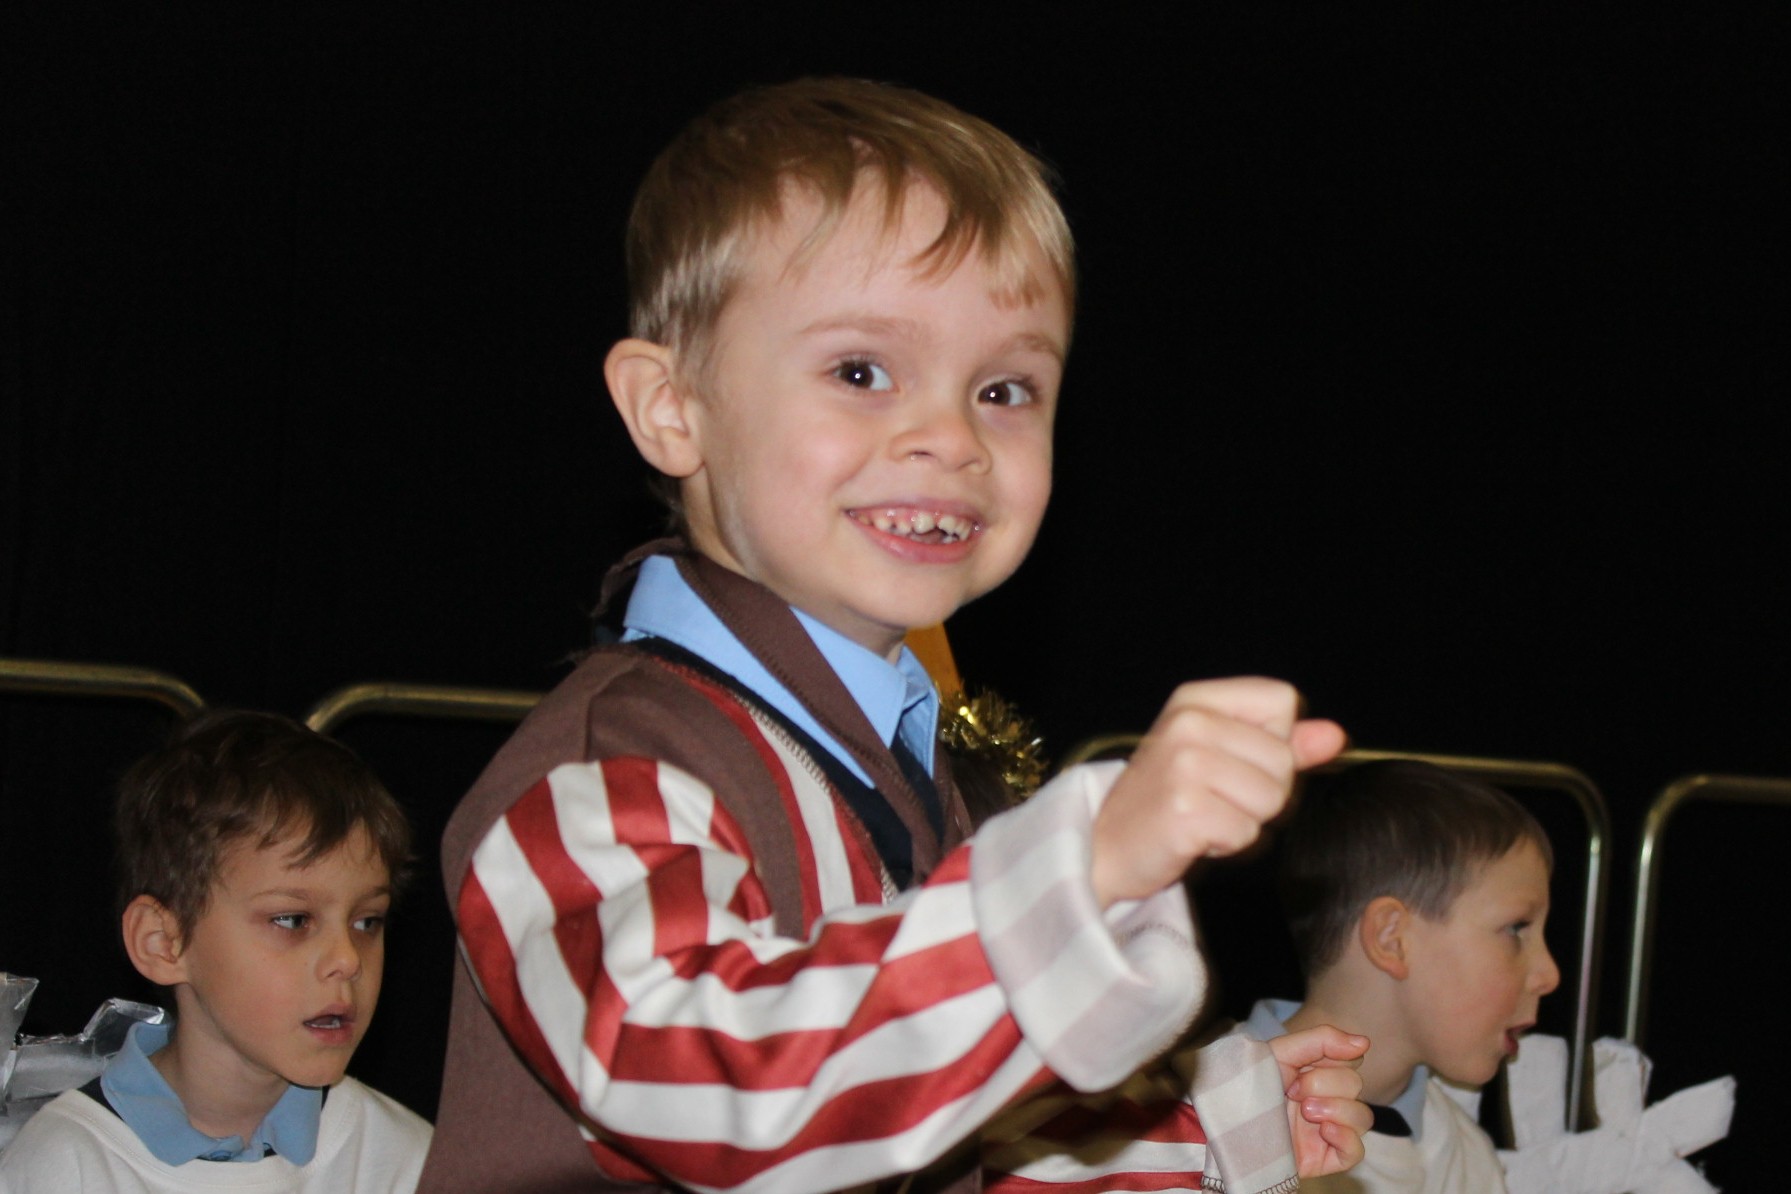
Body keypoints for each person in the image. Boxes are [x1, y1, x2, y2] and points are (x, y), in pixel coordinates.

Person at [421, 77, 1369, 1194]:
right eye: (861, 371)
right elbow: (716, 1084)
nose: (950, 437)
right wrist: (1083, 873)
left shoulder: (921, 772)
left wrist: (1210, 1128)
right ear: (673, 408)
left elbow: (916, 1129)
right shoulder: (596, 774)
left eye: (1006, 389)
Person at [0, 711, 432, 1192]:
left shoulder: (412, 1162)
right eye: (292, 920)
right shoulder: (62, 1167)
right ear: (163, 943)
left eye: (366, 921)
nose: (348, 959)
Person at [1238, 759, 1562, 1192]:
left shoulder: (1465, 1156)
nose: (1549, 975)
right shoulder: (1192, 1132)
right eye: (1516, 929)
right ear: (1392, 939)